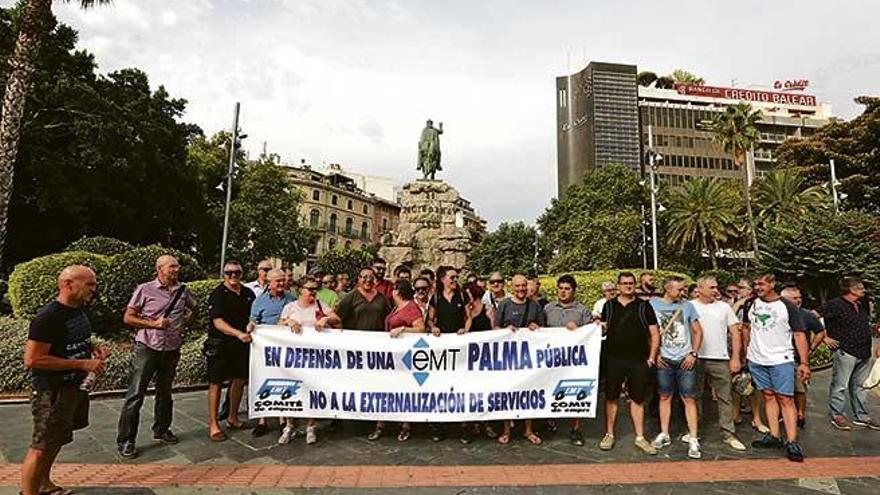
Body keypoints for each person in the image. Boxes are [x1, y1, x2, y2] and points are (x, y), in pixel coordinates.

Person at [22, 265, 109, 495]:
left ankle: (43, 484)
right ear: (68, 284)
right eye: (89, 283)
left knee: (56, 440)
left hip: (73, 388)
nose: (94, 288)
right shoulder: (47, 317)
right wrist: (82, 364)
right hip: (51, 392)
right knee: (40, 446)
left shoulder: (77, 310)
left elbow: (70, 338)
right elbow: (33, 359)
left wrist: (92, 348)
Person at [116, 255, 196, 458]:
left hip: (171, 348)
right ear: (159, 269)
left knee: (165, 392)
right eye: (171, 267)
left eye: (177, 267)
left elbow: (194, 309)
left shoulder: (183, 290)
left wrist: (183, 324)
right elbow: (128, 317)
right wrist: (153, 324)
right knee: (135, 394)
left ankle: (161, 430)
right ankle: (126, 440)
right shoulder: (145, 289)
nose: (176, 270)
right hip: (147, 347)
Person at [742, 274, 811, 462]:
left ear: (772, 284)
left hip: (781, 359)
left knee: (786, 399)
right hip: (757, 359)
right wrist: (744, 353)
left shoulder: (787, 306)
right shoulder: (751, 303)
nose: (757, 287)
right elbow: (746, 328)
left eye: (761, 283)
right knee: (768, 396)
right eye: (755, 284)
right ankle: (774, 435)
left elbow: (799, 334)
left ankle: (792, 441)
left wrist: (804, 362)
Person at [599, 272, 660, 455]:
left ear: (635, 285)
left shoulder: (644, 307)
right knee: (611, 397)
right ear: (618, 285)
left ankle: (640, 437)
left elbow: (655, 333)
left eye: (631, 283)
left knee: (638, 398)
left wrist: (651, 357)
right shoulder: (608, 306)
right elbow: (602, 328)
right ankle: (609, 434)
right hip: (614, 359)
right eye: (624, 283)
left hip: (638, 360)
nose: (627, 286)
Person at [277, 277, 341, 444]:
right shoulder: (290, 307)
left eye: (315, 289)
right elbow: (278, 325)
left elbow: (338, 320)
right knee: (291, 391)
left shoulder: (321, 306)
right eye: (310, 289)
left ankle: (310, 426)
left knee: (312, 390)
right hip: (293, 358)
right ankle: (290, 425)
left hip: (315, 357)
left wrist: (326, 319)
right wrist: (288, 322)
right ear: (301, 290)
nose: (313, 292)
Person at [649, 277, 704, 459]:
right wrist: (654, 354)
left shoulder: (687, 306)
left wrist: (693, 353)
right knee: (664, 396)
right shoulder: (653, 305)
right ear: (667, 289)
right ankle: (664, 433)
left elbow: (698, 331)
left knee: (689, 398)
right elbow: (649, 332)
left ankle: (694, 438)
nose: (683, 292)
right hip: (664, 359)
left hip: (684, 359)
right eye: (679, 289)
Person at [690, 276, 746, 451]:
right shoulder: (689, 306)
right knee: (694, 396)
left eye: (716, 287)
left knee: (725, 397)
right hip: (695, 357)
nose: (716, 290)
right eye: (712, 287)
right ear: (700, 289)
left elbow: (735, 333)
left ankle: (728, 433)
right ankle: (693, 431)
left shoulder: (724, 308)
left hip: (720, 358)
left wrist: (735, 357)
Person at [818, 276, 880, 431]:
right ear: (850, 289)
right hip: (846, 350)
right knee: (840, 385)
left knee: (860, 385)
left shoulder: (860, 304)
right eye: (860, 287)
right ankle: (837, 414)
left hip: (863, 351)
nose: (863, 290)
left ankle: (862, 415)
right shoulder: (835, 305)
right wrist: (824, 337)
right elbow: (814, 316)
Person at [205, 261, 256, 442]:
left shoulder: (249, 293)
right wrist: (238, 334)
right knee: (216, 383)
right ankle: (213, 425)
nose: (233, 276)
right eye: (229, 273)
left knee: (239, 380)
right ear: (224, 274)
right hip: (220, 344)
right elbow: (217, 322)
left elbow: (254, 316)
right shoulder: (217, 294)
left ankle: (233, 417)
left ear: (242, 274)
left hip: (241, 345)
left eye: (237, 273)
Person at [494, 274, 544, 446]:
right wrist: (504, 330)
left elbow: (543, 329)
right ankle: (506, 430)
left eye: (524, 286)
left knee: (529, 393)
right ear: (512, 287)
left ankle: (528, 430)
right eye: (518, 286)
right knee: (508, 392)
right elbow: (495, 327)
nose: (521, 289)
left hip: (529, 358)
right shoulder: (504, 304)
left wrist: (536, 327)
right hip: (508, 358)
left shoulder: (535, 305)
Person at [542, 275, 592, 445]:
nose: (563, 292)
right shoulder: (548, 308)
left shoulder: (583, 310)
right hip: (550, 359)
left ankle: (576, 428)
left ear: (574, 290)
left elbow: (589, 335)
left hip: (574, 361)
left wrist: (578, 331)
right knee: (549, 390)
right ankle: (550, 423)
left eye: (567, 288)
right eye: (560, 288)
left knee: (576, 392)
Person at [247, 269, 297, 437]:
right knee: (264, 380)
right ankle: (263, 420)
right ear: (269, 282)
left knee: (284, 380)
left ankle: (283, 417)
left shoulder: (292, 299)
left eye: (283, 281)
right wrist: (251, 327)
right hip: (265, 348)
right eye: (278, 281)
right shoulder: (259, 301)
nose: (281, 284)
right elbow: (253, 320)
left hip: (286, 347)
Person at [427, 266, 473, 443]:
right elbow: (430, 319)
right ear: (442, 279)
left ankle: (464, 428)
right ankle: (440, 427)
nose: (455, 280)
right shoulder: (436, 298)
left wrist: (465, 329)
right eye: (452, 277)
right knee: (441, 386)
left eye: (456, 277)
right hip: (441, 349)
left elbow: (468, 317)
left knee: (461, 386)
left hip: (460, 348)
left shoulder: (462, 296)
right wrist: (433, 327)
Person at [383, 280, 427, 442]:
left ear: (397, 292)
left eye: (394, 289)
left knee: (405, 389)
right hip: (394, 356)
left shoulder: (410, 307)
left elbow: (421, 328)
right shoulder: (397, 307)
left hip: (406, 357)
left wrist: (403, 329)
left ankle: (406, 425)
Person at [780, 286, 827, 428]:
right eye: (794, 298)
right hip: (779, 357)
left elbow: (820, 331)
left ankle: (800, 414)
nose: (799, 300)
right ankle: (783, 414)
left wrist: (811, 348)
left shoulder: (806, 315)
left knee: (800, 388)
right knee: (781, 389)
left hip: (798, 358)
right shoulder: (778, 313)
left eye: (800, 297)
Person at [731, 279, 769, 434]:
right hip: (734, 346)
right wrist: (738, 303)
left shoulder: (756, 303)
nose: (739, 290)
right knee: (736, 381)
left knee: (753, 384)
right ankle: (735, 414)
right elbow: (729, 318)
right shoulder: (737, 303)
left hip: (752, 347)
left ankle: (757, 418)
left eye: (742, 288)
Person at [337, 267, 391, 332]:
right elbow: (338, 318)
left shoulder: (382, 298)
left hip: (377, 338)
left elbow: (389, 319)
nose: (368, 280)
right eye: (365, 277)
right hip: (356, 338)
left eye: (371, 277)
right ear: (359, 279)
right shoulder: (350, 297)